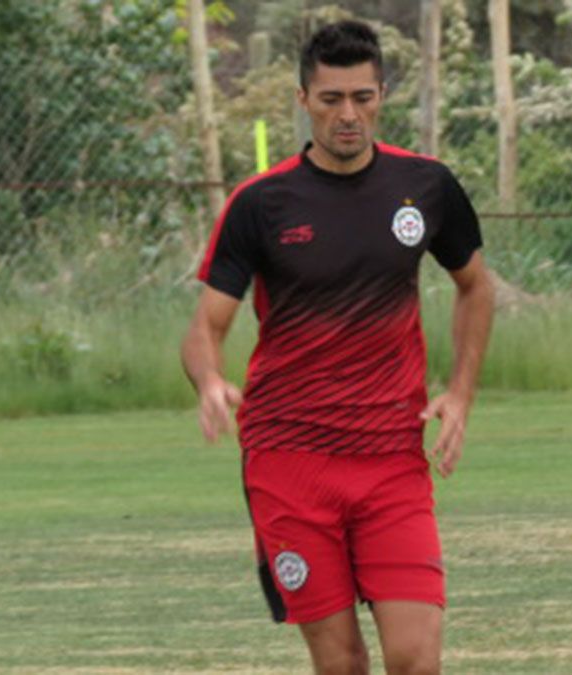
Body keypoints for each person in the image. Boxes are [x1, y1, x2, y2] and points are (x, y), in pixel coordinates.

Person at [180, 20, 494, 675]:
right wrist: (209, 380)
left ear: (381, 94)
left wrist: (461, 391)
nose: (348, 114)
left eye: (362, 97)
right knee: (343, 662)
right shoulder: (261, 204)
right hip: (288, 459)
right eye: (330, 100)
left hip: (390, 456)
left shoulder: (427, 186)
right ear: (302, 100)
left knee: (415, 659)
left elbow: (475, 287)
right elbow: (204, 330)